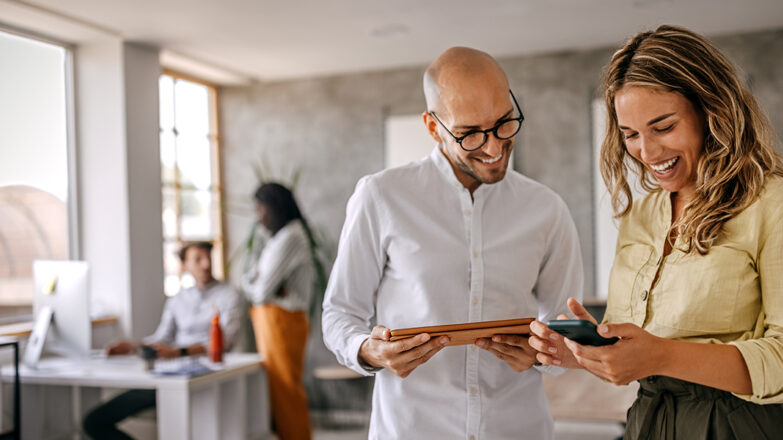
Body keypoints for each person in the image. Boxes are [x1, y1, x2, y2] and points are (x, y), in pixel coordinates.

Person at [529, 25, 783, 439]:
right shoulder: (640, 216)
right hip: (650, 421)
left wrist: (660, 355)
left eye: (663, 127)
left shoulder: (782, 208)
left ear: (711, 110)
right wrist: (588, 353)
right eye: (630, 135)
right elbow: (642, 351)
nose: (647, 152)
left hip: (748, 426)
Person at [322, 46, 584, 440]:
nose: (494, 148)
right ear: (432, 127)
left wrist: (546, 353)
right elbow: (339, 312)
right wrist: (368, 350)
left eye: (503, 123)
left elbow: (569, 326)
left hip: (518, 427)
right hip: (412, 428)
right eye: (469, 134)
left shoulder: (547, 209)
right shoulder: (381, 196)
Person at [83, 241, 242, 440]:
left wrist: (178, 352)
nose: (206, 265)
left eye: (208, 258)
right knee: (94, 421)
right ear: (185, 265)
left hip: (207, 376)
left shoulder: (229, 295)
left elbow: (224, 342)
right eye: (198, 259)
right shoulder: (177, 300)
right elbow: (162, 338)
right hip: (171, 375)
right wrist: (134, 346)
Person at [241, 182, 315, 440]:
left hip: (283, 322)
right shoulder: (278, 238)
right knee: (278, 391)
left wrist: (259, 284)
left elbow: (259, 291)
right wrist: (260, 284)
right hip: (273, 321)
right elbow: (251, 280)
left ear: (274, 207)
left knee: (286, 391)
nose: (258, 216)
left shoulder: (291, 237)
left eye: (260, 208)